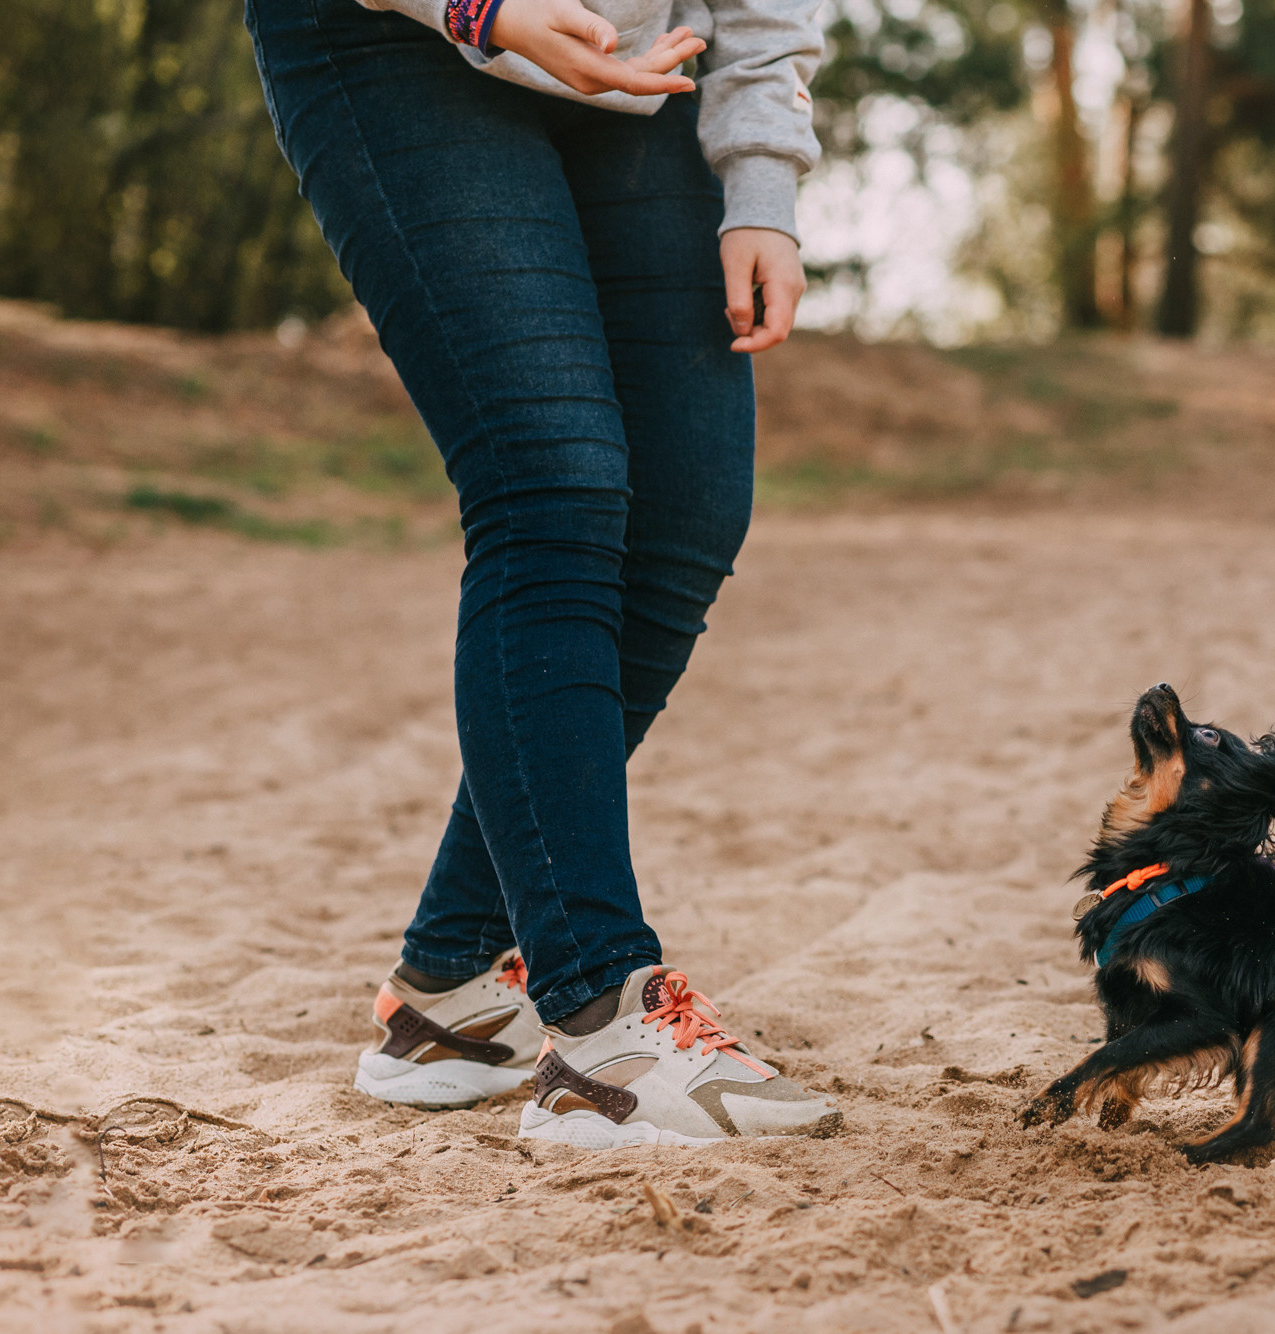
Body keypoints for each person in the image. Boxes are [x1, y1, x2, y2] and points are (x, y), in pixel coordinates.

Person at [246, 0, 840, 1146]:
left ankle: (454, 991)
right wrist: (483, 10)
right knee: (553, 484)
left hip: (633, 56)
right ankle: (601, 1023)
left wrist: (763, 182)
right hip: (395, 42)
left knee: (683, 515)